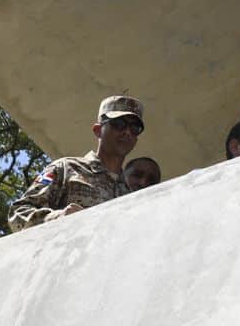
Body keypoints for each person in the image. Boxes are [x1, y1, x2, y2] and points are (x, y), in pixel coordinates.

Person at [8, 95, 145, 232]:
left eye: (135, 128)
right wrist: (57, 218)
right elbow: (18, 213)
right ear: (98, 130)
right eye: (119, 124)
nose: (127, 132)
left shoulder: (130, 194)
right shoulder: (66, 168)